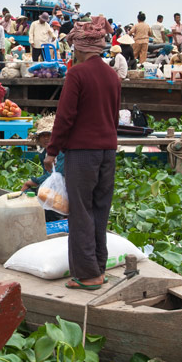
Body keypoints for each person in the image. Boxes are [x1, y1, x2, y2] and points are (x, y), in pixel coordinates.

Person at [43, 16, 121, 290]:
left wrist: (52, 151)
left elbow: (65, 117)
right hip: (107, 151)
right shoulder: (112, 74)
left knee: (80, 212)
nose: (72, 52)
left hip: (82, 153)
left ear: (80, 47)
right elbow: (114, 116)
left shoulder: (77, 73)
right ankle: (99, 266)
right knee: (100, 209)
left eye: (73, 47)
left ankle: (88, 275)